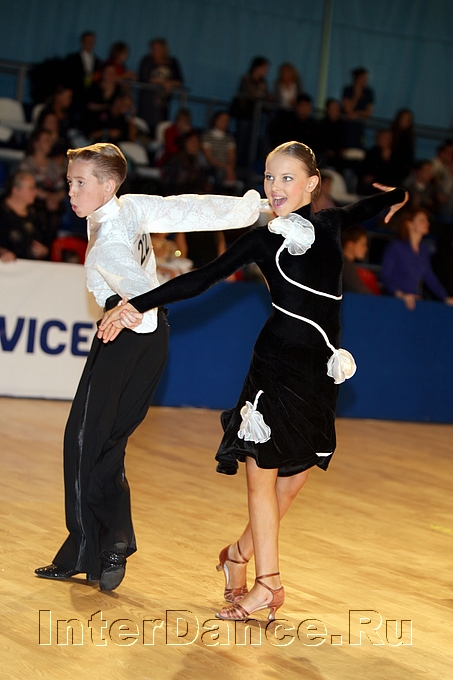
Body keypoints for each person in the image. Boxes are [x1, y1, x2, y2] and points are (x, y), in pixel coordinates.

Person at [99, 141, 408, 619]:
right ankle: (268, 584)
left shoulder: (330, 224)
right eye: (268, 176)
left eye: (287, 177)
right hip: (275, 365)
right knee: (260, 475)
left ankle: (237, 555)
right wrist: (134, 304)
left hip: (318, 370)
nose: (274, 187)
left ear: (311, 184)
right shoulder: (263, 239)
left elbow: (370, 205)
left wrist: (397, 195)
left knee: (295, 479)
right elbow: (200, 279)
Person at [34, 142, 265, 591]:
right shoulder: (132, 207)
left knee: (82, 441)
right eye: (69, 182)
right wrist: (250, 209)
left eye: (80, 183)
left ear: (108, 185)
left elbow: (139, 291)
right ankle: (110, 544)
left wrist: (126, 311)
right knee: (107, 444)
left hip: (123, 337)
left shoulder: (107, 240)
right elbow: (189, 210)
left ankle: (91, 547)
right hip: (152, 341)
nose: (71, 191)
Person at [381, 207, 453, 310]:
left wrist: (445, 297)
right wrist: (400, 294)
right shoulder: (396, 247)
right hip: (393, 300)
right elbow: (386, 276)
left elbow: (429, 276)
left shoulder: (423, 250)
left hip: (413, 300)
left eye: (427, 220)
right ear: (409, 224)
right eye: (422, 220)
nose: (427, 223)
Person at [138, 38, 183, 135]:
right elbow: (144, 77)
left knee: (160, 126)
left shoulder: (172, 62)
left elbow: (179, 81)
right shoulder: (147, 60)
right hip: (147, 100)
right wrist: (162, 82)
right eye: (153, 48)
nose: (155, 51)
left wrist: (170, 83)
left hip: (163, 102)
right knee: (144, 125)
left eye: (158, 48)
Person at [0, 171, 48, 261]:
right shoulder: (2, 212)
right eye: (31, 188)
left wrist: (43, 250)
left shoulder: (35, 214)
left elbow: (44, 241)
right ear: (16, 190)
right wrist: (2, 252)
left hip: (28, 265)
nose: (35, 192)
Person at [341, 67, 374, 149]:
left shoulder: (368, 92)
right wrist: (356, 95)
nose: (365, 81)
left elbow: (368, 113)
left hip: (360, 125)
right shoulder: (348, 90)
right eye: (363, 78)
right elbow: (347, 109)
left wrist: (356, 114)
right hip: (347, 126)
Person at [341, 224, 379, 294]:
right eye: (362, 244)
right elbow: (359, 290)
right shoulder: (345, 266)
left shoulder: (345, 264)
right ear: (350, 245)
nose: (366, 249)